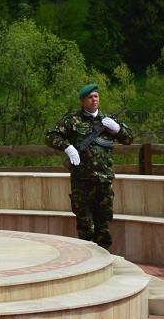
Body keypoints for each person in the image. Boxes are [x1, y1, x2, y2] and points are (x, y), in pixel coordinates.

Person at [46, 83, 134, 249]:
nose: (94, 99)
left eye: (96, 96)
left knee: (103, 226)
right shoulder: (72, 120)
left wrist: (117, 129)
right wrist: (67, 147)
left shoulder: (108, 121)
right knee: (85, 226)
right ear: (82, 101)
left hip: (104, 181)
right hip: (82, 181)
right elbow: (51, 136)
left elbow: (129, 138)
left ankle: (104, 258)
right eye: (90, 97)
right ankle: (88, 259)